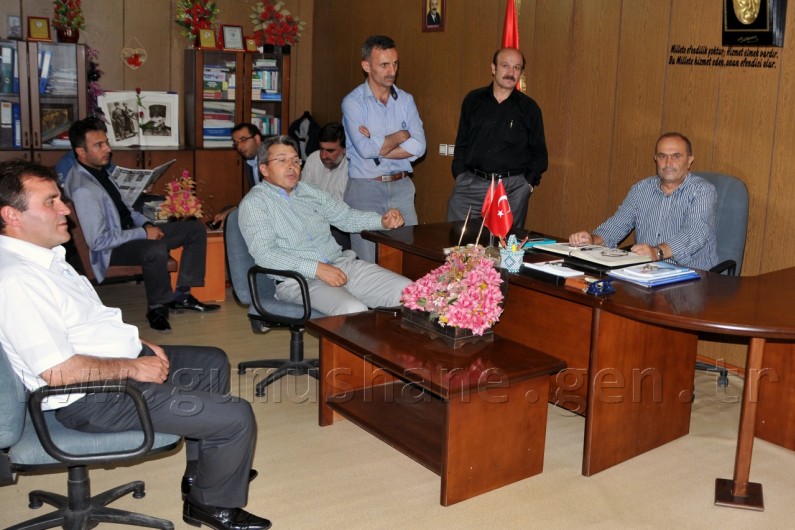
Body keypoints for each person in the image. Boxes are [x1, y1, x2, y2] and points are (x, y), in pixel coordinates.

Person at [0, 159, 270, 530]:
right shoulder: (17, 280)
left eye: (60, 199)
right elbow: (58, 372)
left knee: (211, 362)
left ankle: (203, 477)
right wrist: (134, 367)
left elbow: (87, 323)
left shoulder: (45, 259)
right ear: (11, 215)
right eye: (51, 202)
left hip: (105, 369)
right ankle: (212, 506)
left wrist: (137, 343)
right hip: (91, 397)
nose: (65, 210)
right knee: (235, 416)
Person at [63, 117, 220, 333]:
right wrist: (143, 233)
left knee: (194, 229)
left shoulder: (99, 171)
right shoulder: (84, 189)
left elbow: (126, 208)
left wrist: (146, 224)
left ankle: (181, 295)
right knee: (155, 249)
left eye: (106, 142)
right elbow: (98, 241)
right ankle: (157, 309)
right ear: (81, 151)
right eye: (99, 145)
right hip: (112, 248)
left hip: (129, 232)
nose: (108, 149)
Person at [238, 135, 411, 316]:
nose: (292, 166)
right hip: (297, 280)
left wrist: (381, 221)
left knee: (408, 291)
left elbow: (345, 217)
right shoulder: (255, 203)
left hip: (342, 265)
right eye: (282, 160)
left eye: (296, 160)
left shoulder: (310, 191)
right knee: (353, 310)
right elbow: (266, 255)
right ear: (264, 169)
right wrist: (316, 268)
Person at [568, 132, 719, 270]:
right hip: (646, 270)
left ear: (689, 160)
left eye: (676, 156)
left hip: (692, 274)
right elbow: (618, 224)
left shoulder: (702, 190)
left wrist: (658, 252)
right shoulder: (641, 189)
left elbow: (694, 232)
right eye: (662, 156)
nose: (668, 163)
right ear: (655, 159)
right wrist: (592, 240)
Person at [341, 35, 426, 263]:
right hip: (365, 189)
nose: (392, 71)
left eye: (395, 64)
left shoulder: (406, 100)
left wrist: (376, 142)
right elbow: (364, 150)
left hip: (402, 187)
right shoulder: (353, 102)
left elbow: (420, 146)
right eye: (384, 65)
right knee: (366, 261)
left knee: (409, 257)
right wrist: (401, 135)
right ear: (366, 66)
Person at [447, 47, 548, 233]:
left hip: (511, 189)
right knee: (458, 240)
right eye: (505, 66)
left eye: (516, 68)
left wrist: (527, 185)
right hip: (471, 185)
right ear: (493, 68)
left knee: (505, 244)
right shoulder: (473, 100)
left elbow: (539, 154)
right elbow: (462, 143)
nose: (511, 72)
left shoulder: (529, 109)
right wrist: (460, 175)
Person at [300, 122, 351, 249]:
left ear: (345, 150)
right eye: (321, 149)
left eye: (330, 151)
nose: (323, 155)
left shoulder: (352, 168)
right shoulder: (313, 159)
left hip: (339, 228)